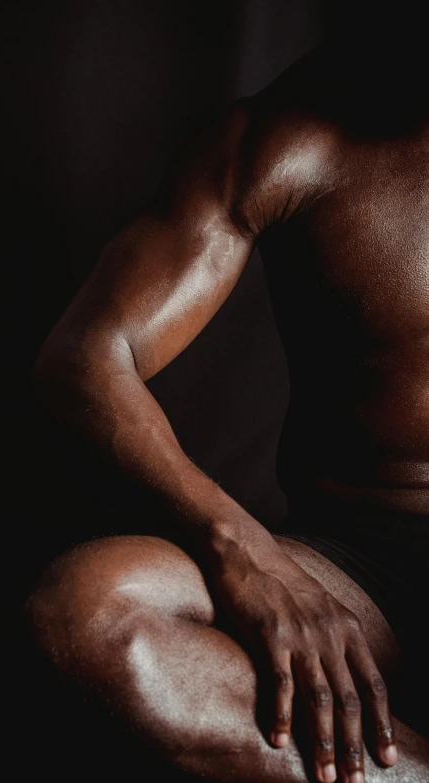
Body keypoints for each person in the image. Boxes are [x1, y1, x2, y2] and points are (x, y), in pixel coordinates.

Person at [24, 14, 429, 783]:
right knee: (90, 611)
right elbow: (84, 358)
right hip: (361, 568)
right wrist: (246, 552)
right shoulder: (288, 138)